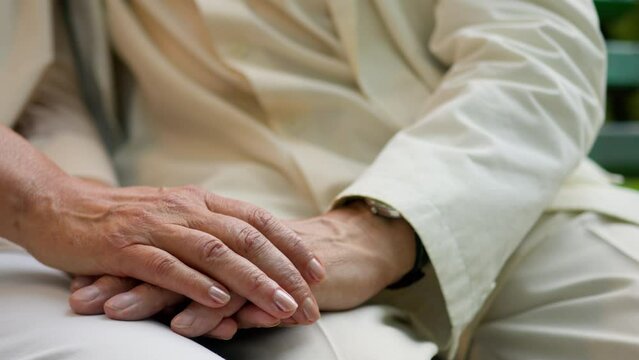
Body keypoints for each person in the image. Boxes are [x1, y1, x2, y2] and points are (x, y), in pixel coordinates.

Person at [1, 0, 639, 359]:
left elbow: (536, 48)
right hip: (231, 234)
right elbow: (49, 95)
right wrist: (106, 224)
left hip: (505, 200)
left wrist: (379, 233)